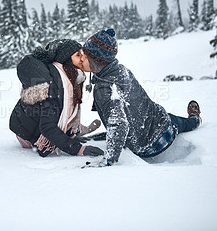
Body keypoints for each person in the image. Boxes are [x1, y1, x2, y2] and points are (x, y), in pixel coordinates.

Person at [80, 29, 202, 166]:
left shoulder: (106, 88)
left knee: (184, 123)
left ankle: (195, 119)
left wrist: (109, 160)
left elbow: (119, 123)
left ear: (97, 60)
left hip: (151, 142)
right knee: (177, 121)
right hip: (155, 118)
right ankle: (193, 120)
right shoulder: (120, 70)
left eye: (85, 55)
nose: (81, 58)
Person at [9, 39, 104, 157]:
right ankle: (72, 133)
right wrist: (79, 149)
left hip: (40, 125)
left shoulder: (69, 77)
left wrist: (71, 137)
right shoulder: (54, 85)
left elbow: (62, 112)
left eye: (82, 54)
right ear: (66, 60)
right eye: (78, 55)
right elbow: (47, 127)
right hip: (29, 134)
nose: (82, 58)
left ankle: (72, 132)